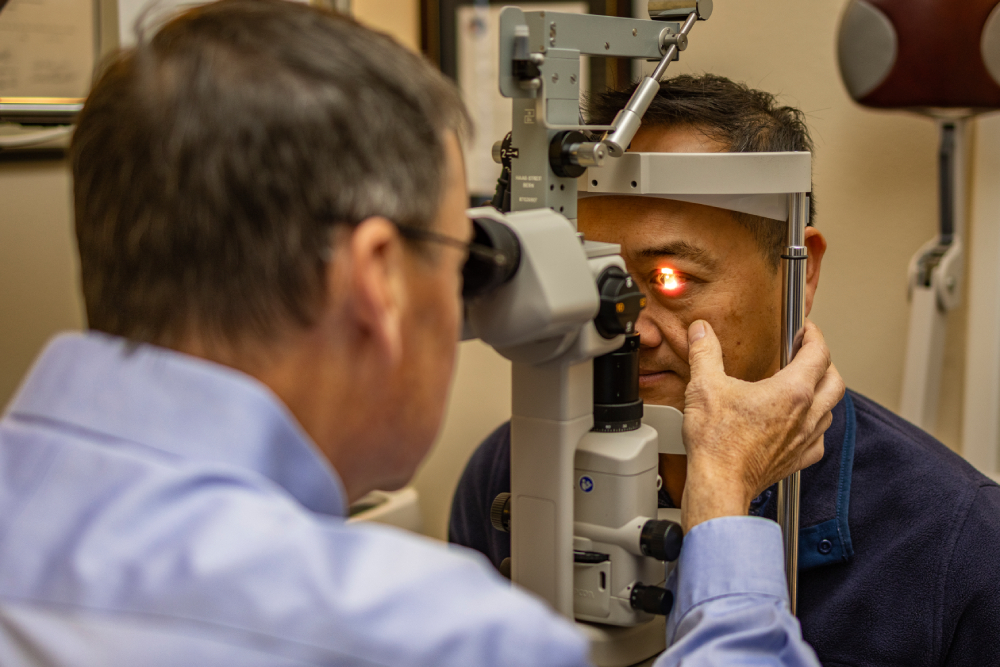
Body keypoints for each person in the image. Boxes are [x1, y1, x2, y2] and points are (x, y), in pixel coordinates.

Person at [0, 4, 843, 665]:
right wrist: (726, 509)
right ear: (376, 279)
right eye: (458, 258)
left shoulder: (956, 534)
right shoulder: (427, 629)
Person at [451, 74, 1000, 667]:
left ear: (800, 273)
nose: (627, 328)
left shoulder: (957, 543)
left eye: (672, 279)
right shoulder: (508, 474)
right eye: (595, 278)